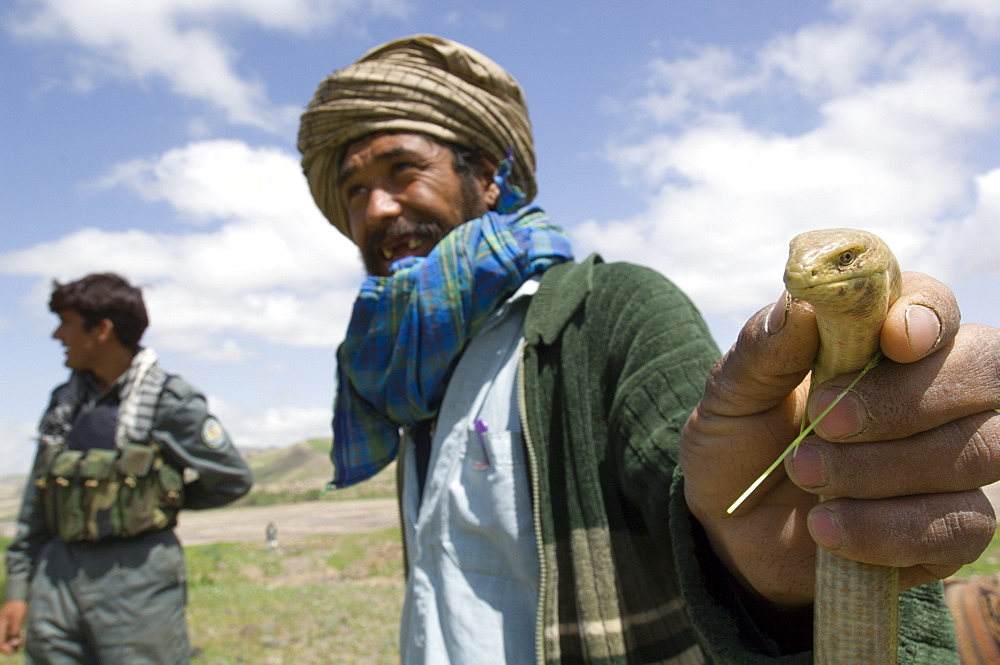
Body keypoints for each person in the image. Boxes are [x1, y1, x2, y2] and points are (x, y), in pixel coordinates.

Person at [296, 34, 1000, 663]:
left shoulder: (612, 310)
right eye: (354, 189)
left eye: (401, 171)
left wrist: (756, 566)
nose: (376, 208)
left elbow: (695, 487)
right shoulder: (408, 384)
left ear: (488, 176)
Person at [0, 273, 253, 663]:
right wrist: (17, 591)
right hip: (56, 581)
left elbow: (232, 479)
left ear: (102, 329)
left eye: (65, 323)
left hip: (137, 583)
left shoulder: (170, 402)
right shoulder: (63, 405)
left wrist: (157, 500)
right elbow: (37, 503)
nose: (56, 336)